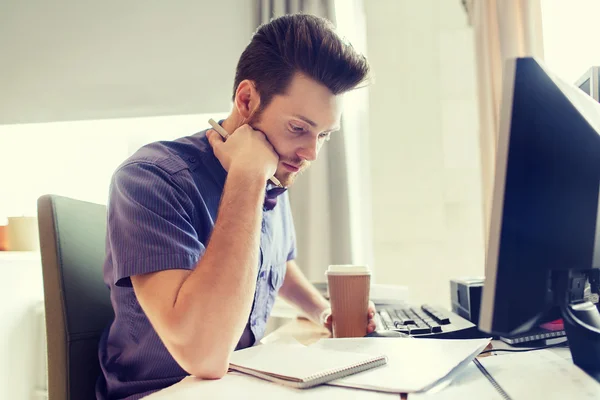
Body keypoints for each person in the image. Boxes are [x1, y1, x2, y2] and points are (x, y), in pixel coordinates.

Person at [96, 13, 375, 400]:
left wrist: (322, 311)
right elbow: (204, 355)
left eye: (323, 135)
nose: (310, 152)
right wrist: (246, 177)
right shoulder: (151, 179)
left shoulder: (275, 170)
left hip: (238, 385)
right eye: (299, 128)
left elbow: (275, 266)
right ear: (246, 99)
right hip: (159, 393)